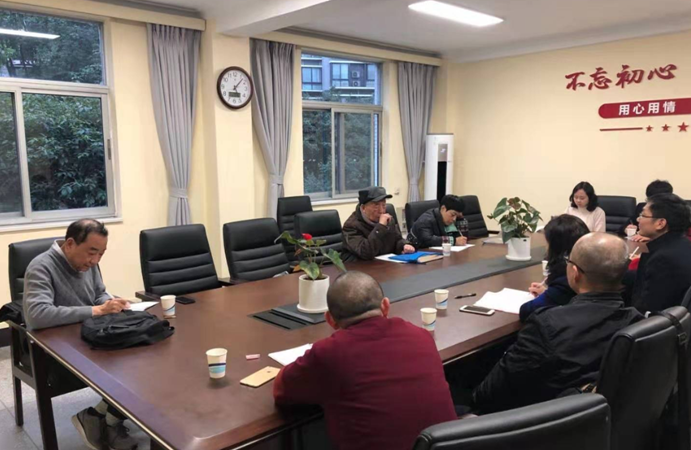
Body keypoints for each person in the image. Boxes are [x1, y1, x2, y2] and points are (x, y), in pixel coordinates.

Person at [273, 271, 456, 450]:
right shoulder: (421, 336)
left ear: (330, 319)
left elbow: (282, 389)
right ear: (385, 306)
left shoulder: (329, 353)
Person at [472, 233, 642, 413]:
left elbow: (488, 395)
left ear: (575, 273)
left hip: (539, 421)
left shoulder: (547, 325)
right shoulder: (636, 320)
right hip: (595, 418)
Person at [23, 219, 137, 450]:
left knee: (144, 354)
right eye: (91, 253)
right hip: (57, 347)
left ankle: (102, 418)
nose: (95, 261)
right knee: (129, 363)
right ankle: (105, 419)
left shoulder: (89, 264)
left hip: (89, 335)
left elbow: (99, 294)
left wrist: (111, 303)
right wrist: (96, 311)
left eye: (101, 254)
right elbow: (36, 315)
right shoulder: (41, 266)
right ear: (70, 244)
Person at [623, 193, 691, 313]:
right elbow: (646, 277)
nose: (638, 219)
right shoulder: (683, 243)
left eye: (642, 215)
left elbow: (647, 308)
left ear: (660, 223)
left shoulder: (664, 259)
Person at [519, 214, 589, 322]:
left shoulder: (566, 277)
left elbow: (526, 311)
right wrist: (547, 293)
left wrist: (550, 295)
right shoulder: (591, 264)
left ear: (556, 247)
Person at [341, 186, 415, 262]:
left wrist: (404, 245)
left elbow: (397, 240)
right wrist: (380, 227)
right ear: (363, 208)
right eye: (376, 205)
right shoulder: (351, 226)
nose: (381, 211)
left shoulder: (388, 220)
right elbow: (365, 252)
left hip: (385, 264)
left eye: (383, 205)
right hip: (360, 266)